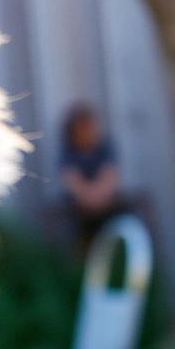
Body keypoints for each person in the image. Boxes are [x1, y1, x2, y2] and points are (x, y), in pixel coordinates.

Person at [58, 103, 122, 250]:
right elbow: (70, 180)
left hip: (106, 204)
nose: (85, 133)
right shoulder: (68, 152)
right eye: (80, 129)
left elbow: (110, 175)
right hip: (80, 208)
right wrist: (88, 198)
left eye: (88, 128)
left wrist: (98, 196)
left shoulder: (105, 147)